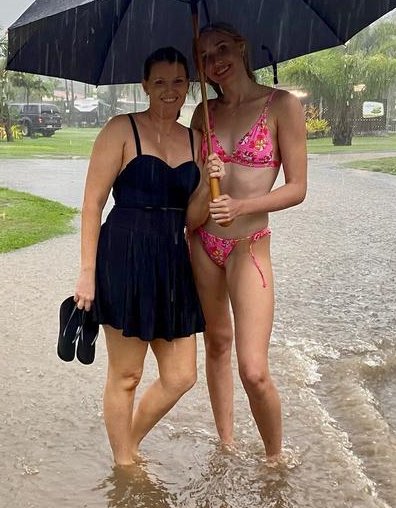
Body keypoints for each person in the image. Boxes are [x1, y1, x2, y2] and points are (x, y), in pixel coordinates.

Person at [74, 47, 225, 466]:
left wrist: (208, 183)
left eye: (178, 81)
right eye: (159, 82)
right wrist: (87, 273)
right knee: (126, 375)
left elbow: (192, 218)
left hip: (173, 262)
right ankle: (125, 462)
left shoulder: (197, 140)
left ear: (188, 86)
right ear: (145, 85)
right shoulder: (121, 129)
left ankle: (128, 441)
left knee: (181, 376)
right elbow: (92, 204)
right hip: (123, 256)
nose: (169, 91)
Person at [189, 24, 307, 462]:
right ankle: (226, 447)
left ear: (240, 47)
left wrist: (241, 206)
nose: (216, 59)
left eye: (222, 47)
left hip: (249, 246)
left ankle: (275, 459)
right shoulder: (203, 114)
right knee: (216, 344)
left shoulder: (281, 106)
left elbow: (297, 188)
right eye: (204, 55)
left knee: (254, 370)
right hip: (203, 243)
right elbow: (193, 188)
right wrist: (206, 176)